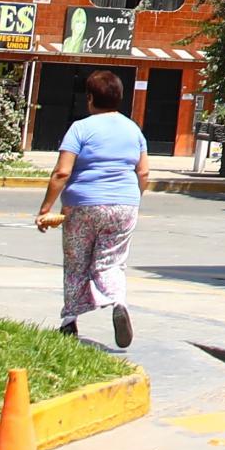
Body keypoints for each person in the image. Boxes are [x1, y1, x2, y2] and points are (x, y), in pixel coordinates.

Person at [36, 69, 149, 348]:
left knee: (76, 264)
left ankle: (69, 321)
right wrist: (132, 199)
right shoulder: (133, 129)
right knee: (111, 262)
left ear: (89, 98)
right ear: (120, 98)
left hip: (82, 205)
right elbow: (143, 173)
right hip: (124, 204)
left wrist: (45, 207)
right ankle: (117, 302)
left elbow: (62, 173)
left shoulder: (81, 128)